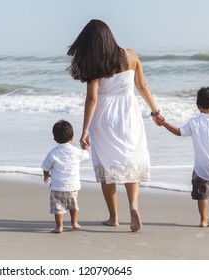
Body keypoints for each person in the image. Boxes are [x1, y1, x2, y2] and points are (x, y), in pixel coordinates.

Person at [67, 19, 163, 232]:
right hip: (130, 113)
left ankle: (113, 217)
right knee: (131, 160)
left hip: (104, 116)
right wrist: (156, 111)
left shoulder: (96, 65)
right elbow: (142, 86)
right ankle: (134, 207)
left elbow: (92, 100)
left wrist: (84, 130)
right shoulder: (131, 55)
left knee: (107, 165)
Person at [160, 87, 209, 227]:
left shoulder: (194, 123)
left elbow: (178, 132)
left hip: (201, 168)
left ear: (197, 106)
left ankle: (204, 220)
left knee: (202, 193)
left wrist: (164, 123)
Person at [41, 120, 89, 233]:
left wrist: (46, 176)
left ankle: (59, 226)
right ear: (72, 136)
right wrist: (85, 146)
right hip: (72, 186)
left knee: (58, 208)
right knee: (73, 206)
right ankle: (74, 223)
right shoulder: (76, 152)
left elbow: (45, 167)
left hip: (57, 187)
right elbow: (86, 155)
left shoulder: (53, 152)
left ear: (55, 139)